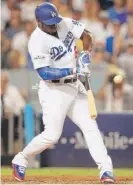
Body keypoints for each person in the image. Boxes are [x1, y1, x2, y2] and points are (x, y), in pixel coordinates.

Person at [12, 2, 115, 183]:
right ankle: (21, 158)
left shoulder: (64, 22)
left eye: (54, 20)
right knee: (52, 135)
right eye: (49, 22)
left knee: (90, 127)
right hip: (54, 90)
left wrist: (85, 53)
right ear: (38, 21)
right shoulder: (36, 41)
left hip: (76, 86)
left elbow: (86, 35)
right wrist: (74, 71)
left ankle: (106, 169)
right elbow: (44, 73)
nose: (53, 25)